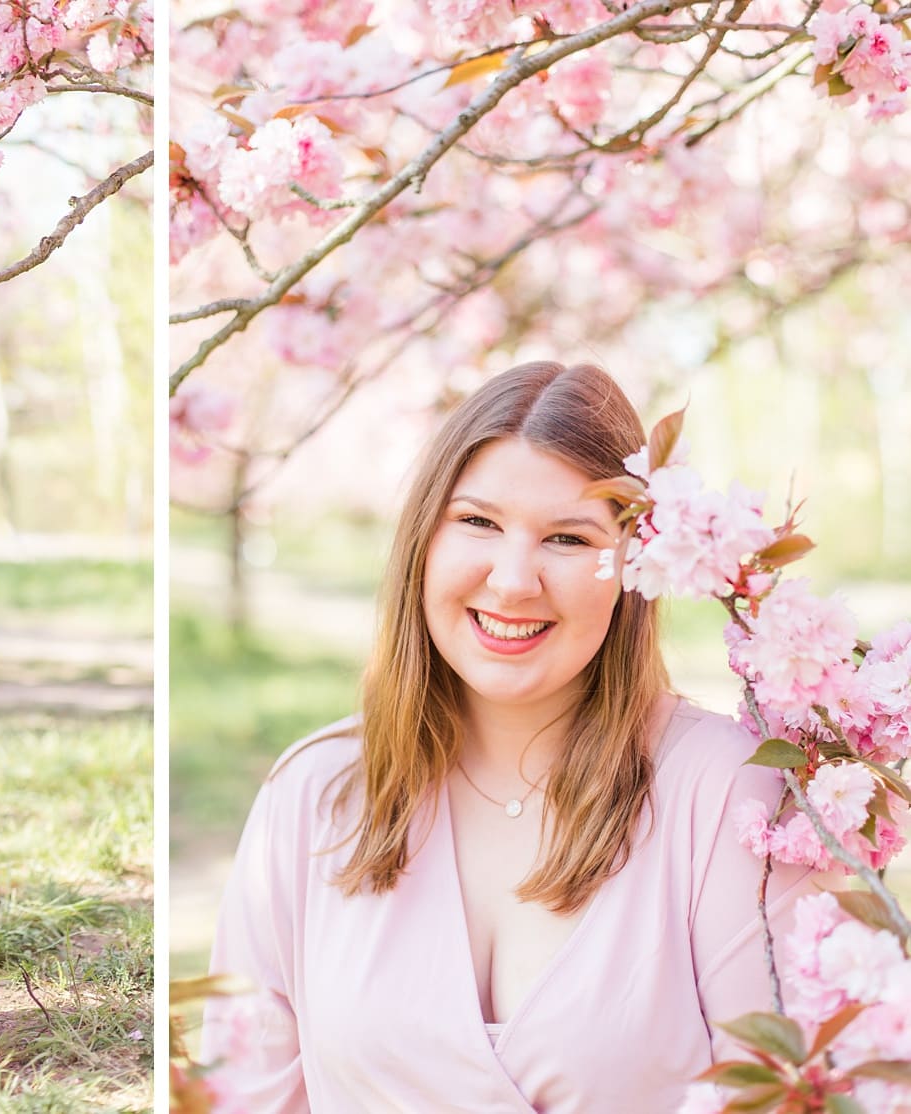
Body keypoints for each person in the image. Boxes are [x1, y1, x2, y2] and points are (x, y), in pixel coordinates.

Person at [200, 362, 827, 1112]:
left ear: (633, 568)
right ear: (423, 540)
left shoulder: (730, 795)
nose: (512, 581)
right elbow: (238, 1094)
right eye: (477, 522)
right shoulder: (313, 794)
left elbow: (794, 1095)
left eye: (567, 538)